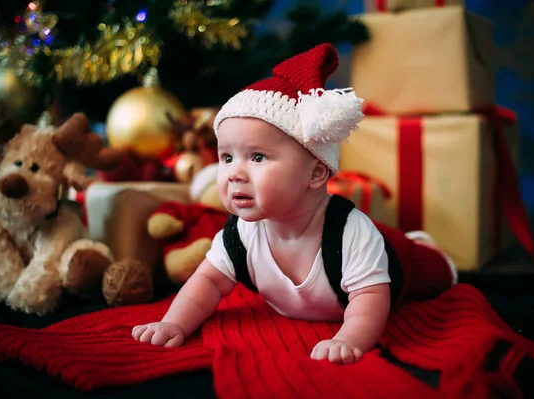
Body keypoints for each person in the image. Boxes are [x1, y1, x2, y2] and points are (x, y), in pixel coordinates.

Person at [133, 43, 457, 364]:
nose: (234, 173)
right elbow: (206, 282)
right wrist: (174, 322)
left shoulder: (351, 233)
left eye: (257, 157)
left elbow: (370, 298)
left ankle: (427, 248)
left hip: (401, 260)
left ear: (316, 172)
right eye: (227, 157)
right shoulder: (240, 234)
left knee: (429, 267)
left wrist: (348, 339)